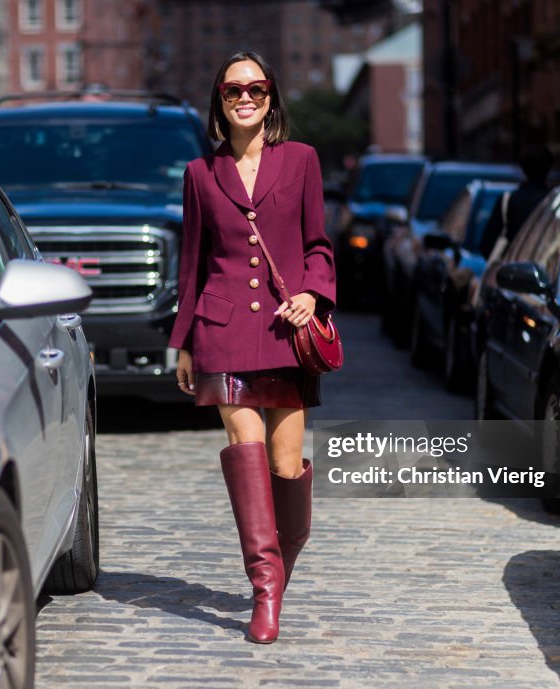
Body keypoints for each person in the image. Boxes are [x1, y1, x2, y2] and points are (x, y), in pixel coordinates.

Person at [169, 52, 336, 644]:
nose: (245, 96)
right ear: (218, 100)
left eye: (256, 88)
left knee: (285, 466)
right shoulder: (198, 174)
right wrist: (183, 341)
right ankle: (264, 588)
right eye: (233, 88)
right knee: (246, 444)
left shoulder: (303, 161)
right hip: (221, 330)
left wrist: (314, 296)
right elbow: (191, 265)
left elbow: (318, 245)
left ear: (271, 97)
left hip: (286, 336)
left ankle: (280, 569)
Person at [479, 144, 554, 259]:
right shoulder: (556, 203)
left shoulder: (508, 200)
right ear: (549, 170)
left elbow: (486, 245)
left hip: (511, 268)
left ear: (523, 169)